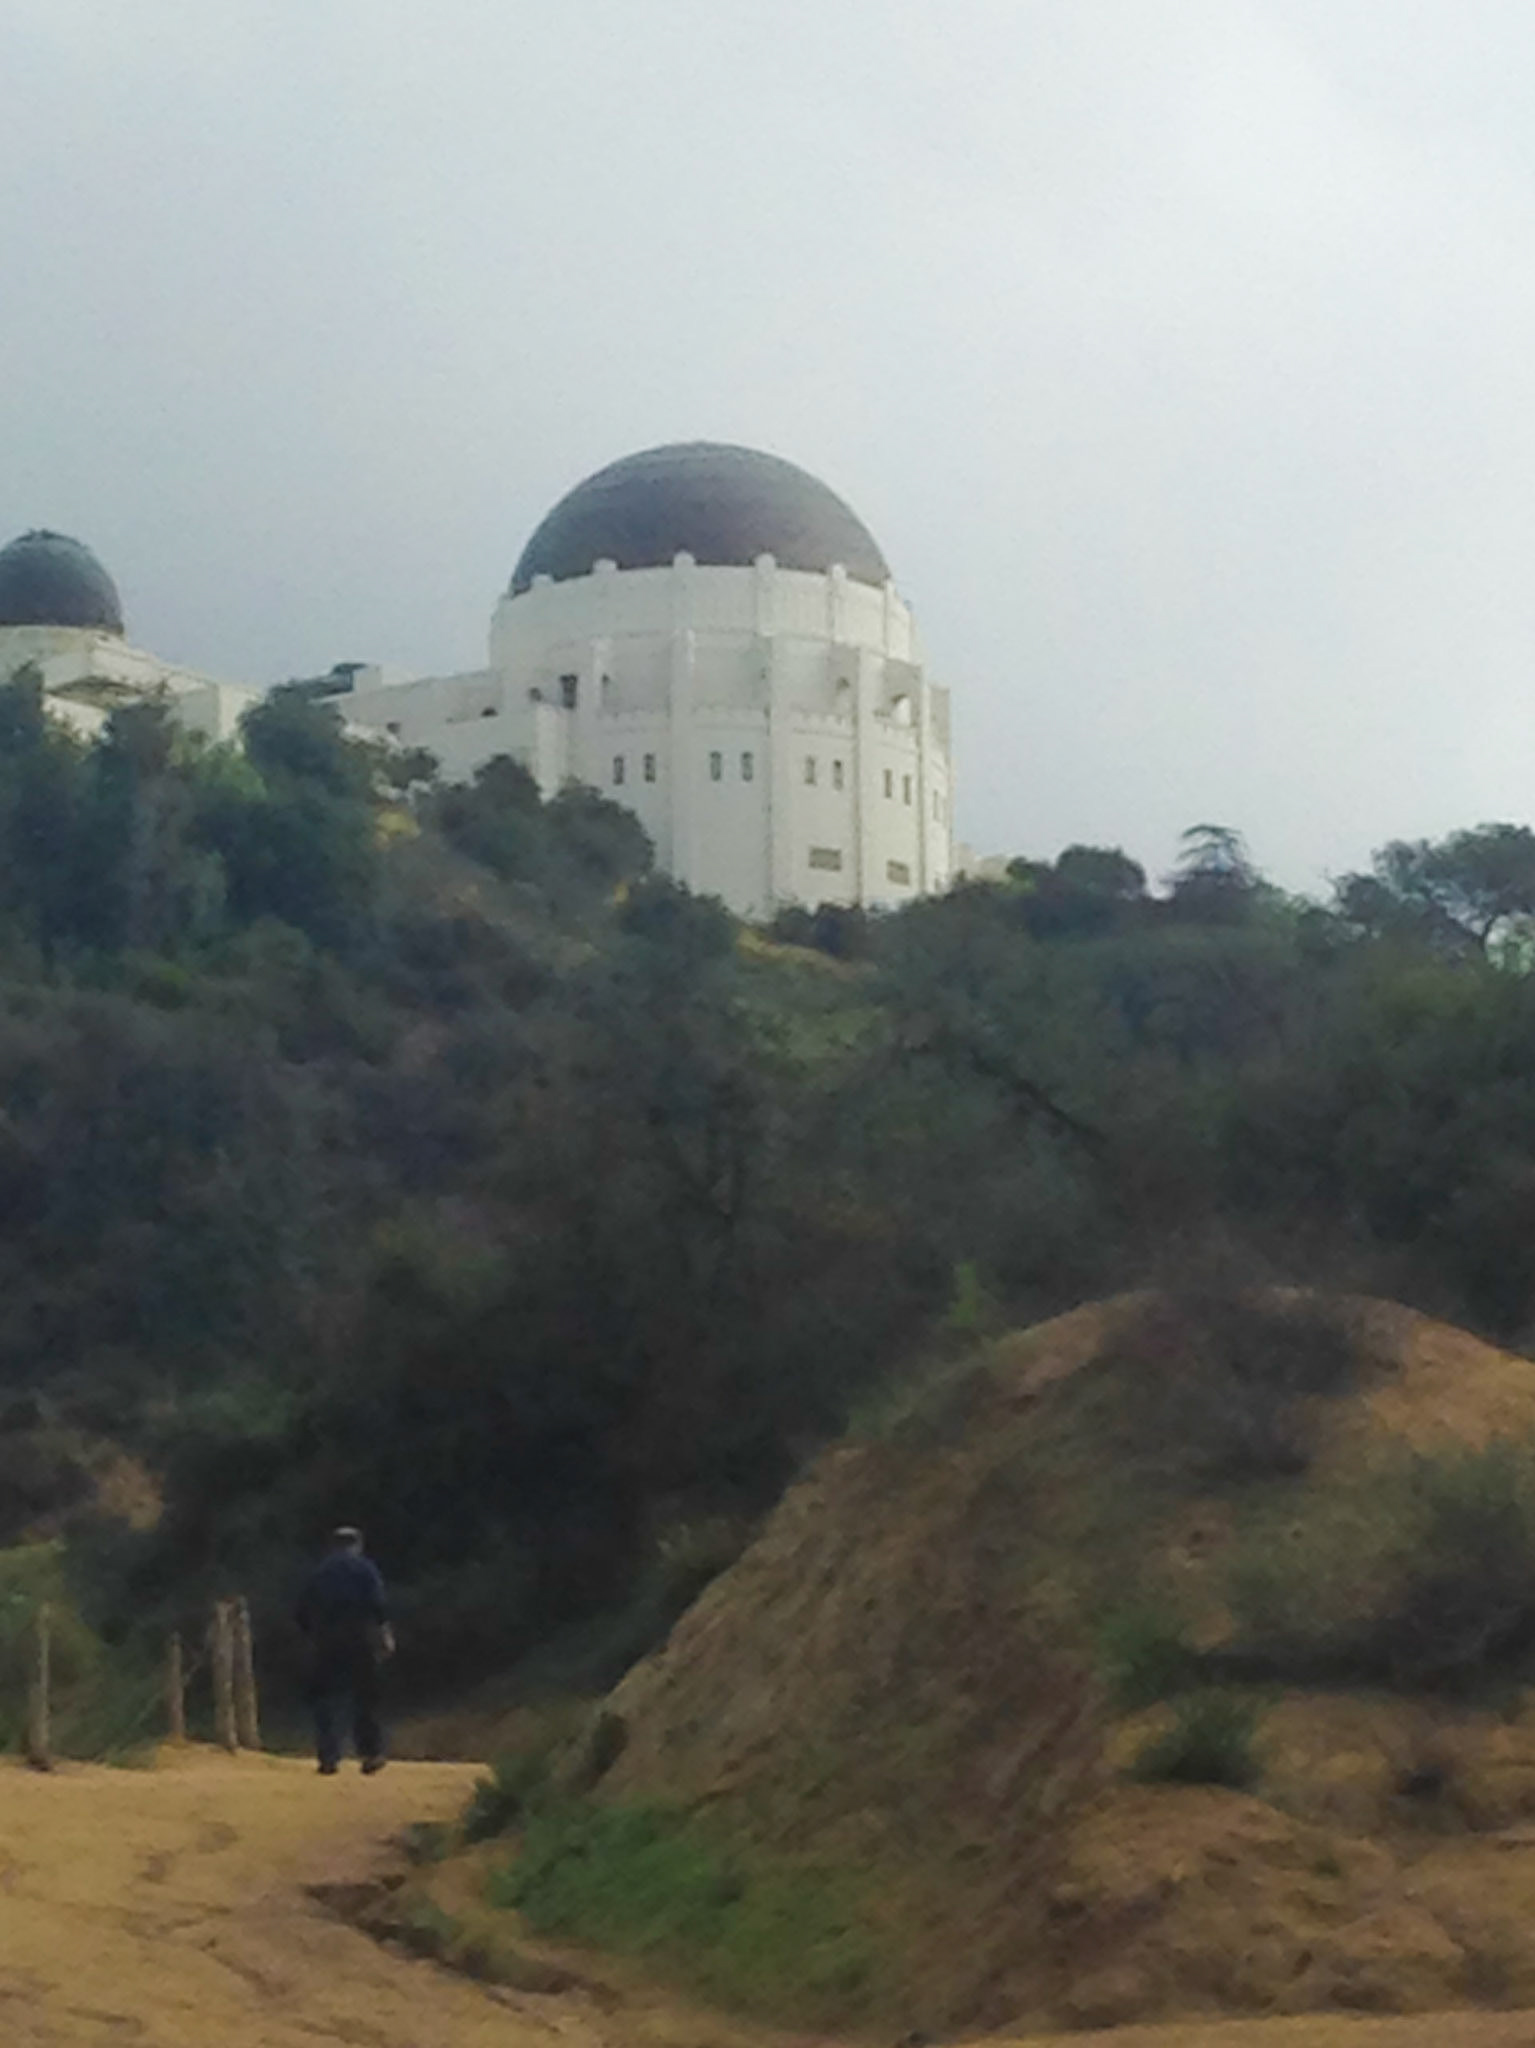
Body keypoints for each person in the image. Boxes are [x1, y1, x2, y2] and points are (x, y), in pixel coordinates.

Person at [295, 1525, 394, 1776]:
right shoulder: (365, 1568)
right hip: (360, 1638)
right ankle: (370, 1754)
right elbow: (378, 1604)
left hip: (326, 1640)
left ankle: (328, 1756)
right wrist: (384, 1636)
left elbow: (302, 1611)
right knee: (365, 1697)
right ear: (357, 1544)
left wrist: (311, 1636)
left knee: (325, 1698)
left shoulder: (319, 1572)